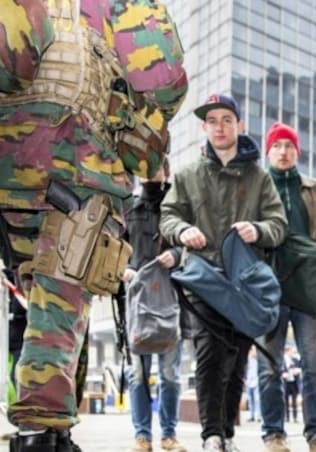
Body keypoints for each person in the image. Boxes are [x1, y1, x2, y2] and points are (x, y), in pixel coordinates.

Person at [0, 1, 187, 450]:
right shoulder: (115, 4)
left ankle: (56, 428)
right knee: (59, 301)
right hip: (75, 162)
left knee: (47, 298)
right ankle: (39, 432)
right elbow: (162, 81)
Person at [160, 94, 287, 452]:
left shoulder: (260, 177)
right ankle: (211, 435)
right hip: (203, 280)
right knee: (209, 355)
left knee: (235, 360)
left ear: (239, 126)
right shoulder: (187, 175)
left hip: (244, 284)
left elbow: (279, 223)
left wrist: (258, 230)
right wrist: (182, 231)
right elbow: (168, 216)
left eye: (226, 119)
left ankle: (227, 432)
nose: (219, 126)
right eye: (212, 120)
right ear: (204, 127)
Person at [258, 121, 316, 452]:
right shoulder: (257, 188)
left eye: (289, 146)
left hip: (309, 289)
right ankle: (273, 434)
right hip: (268, 290)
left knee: (314, 365)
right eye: (277, 146)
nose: (283, 151)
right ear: (268, 151)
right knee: (268, 366)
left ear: (297, 152)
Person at [123, 164, 186, 452]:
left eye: (156, 165)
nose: (150, 171)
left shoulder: (178, 204)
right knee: (137, 372)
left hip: (169, 297)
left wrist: (176, 254)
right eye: (145, 166)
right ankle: (142, 436)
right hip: (135, 300)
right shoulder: (128, 207)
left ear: (166, 170)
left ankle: (169, 435)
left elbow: (193, 244)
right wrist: (123, 270)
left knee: (170, 373)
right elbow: (116, 247)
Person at [281, 346, 301, 424]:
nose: (292, 353)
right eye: (291, 351)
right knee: (285, 401)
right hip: (286, 383)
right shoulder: (282, 361)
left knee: (294, 401)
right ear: (287, 351)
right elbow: (279, 370)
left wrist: (297, 371)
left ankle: (295, 417)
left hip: (294, 383)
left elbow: (300, 368)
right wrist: (283, 374)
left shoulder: (295, 360)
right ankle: (287, 417)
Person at [245, 347, 261, 423]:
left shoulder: (258, 360)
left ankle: (258, 415)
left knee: (257, 399)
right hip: (248, 381)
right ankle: (251, 415)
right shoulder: (247, 360)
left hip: (256, 381)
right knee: (250, 400)